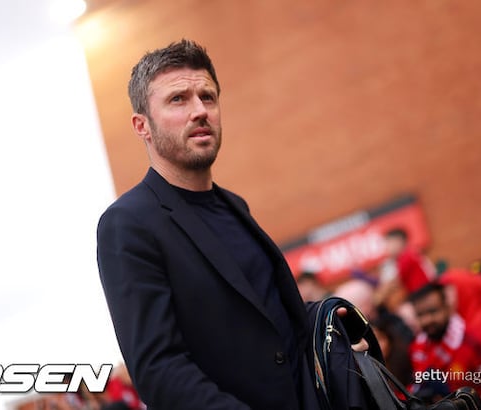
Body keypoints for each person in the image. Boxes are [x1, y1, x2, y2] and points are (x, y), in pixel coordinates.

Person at [96, 39, 366, 410]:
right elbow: (159, 371)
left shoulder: (235, 206)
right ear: (142, 125)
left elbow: (265, 326)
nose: (199, 111)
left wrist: (331, 339)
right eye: (178, 99)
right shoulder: (128, 224)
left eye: (207, 97)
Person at [408, 283, 481, 408]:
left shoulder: (475, 342)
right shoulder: (417, 348)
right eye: (420, 315)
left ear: (447, 307)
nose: (427, 320)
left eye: (433, 311)